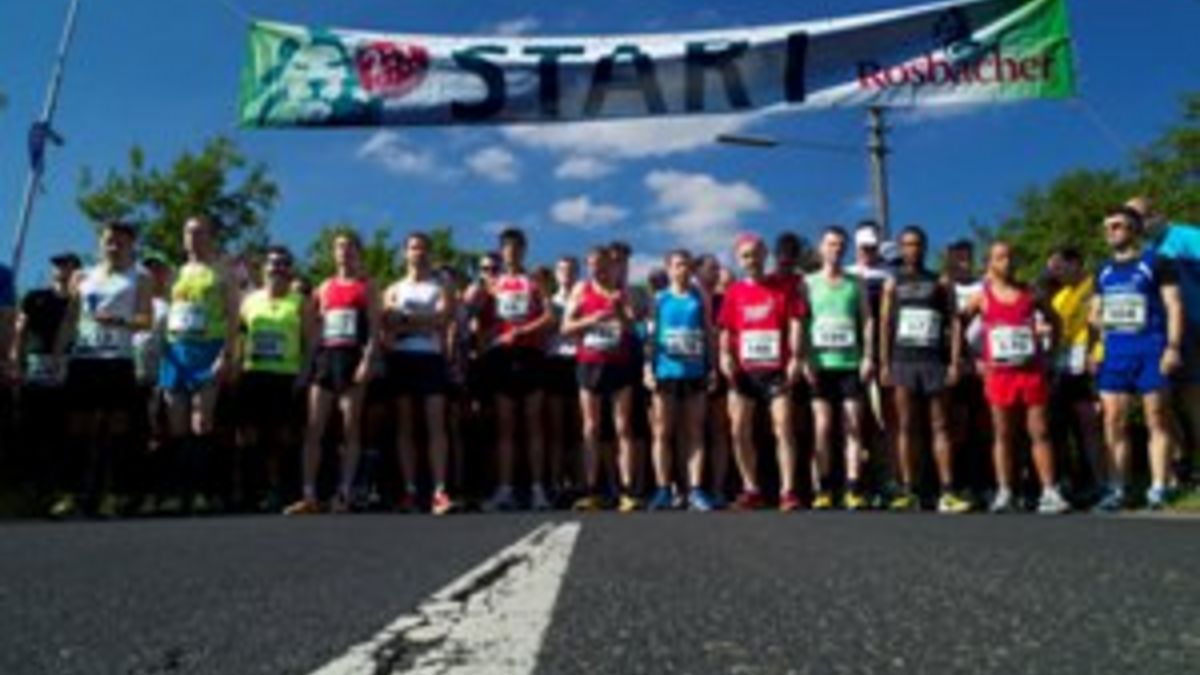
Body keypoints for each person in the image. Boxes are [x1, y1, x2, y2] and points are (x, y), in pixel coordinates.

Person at [960, 242, 1069, 514]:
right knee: (1003, 434)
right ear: (989, 263)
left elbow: (1055, 320)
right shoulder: (982, 297)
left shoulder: (1030, 293)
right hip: (999, 375)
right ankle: (1005, 491)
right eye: (1000, 258)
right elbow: (957, 324)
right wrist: (972, 358)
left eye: (1010, 257)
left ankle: (1049, 491)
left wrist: (1051, 353)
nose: (1007, 262)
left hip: (1030, 372)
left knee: (1040, 431)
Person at [54, 222, 154, 517]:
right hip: (84, 359)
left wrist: (119, 321)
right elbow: (71, 319)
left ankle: (113, 494)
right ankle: (74, 494)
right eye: (109, 240)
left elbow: (146, 320)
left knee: (116, 427)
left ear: (131, 245)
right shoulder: (82, 276)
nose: (114, 246)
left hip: (118, 359)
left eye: (121, 242)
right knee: (77, 428)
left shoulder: (140, 276)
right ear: (100, 243)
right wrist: (59, 355)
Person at [1092, 206, 1184, 511]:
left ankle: (1158, 487)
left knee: (1156, 416)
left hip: (1151, 349)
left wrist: (1173, 347)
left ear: (1134, 229)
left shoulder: (1157, 262)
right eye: (1107, 227)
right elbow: (1095, 312)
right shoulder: (1102, 270)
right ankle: (1117, 488)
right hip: (1116, 354)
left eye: (1117, 226)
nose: (1111, 232)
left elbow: (1174, 305)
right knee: (1113, 420)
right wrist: (1098, 326)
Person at [286, 231, 381, 514]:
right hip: (326, 358)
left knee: (350, 427)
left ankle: (344, 492)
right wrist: (308, 364)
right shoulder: (324, 286)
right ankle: (309, 494)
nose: (344, 252)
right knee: (314, 426)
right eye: (340, 247)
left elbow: (375, 328)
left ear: (358, 253)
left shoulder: (367, 286)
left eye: (350, 247)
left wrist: (368, 360)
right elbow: (313, 326)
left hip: (352, 358)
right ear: (333, 253)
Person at [879, 225, 970, 513]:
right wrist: (884, 363)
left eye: (917, 244)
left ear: (925, 247)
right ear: (900, 248)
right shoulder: (892, 283)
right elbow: (885, 324)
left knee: (940, 425)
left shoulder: (941, 282)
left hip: (934, 361)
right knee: (905, 426)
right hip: (902, 361)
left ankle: (947, 491)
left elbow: (954, 322)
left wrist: (954, 362)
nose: (912, 249)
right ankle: (909, 490)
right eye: (907, 244)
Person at [159, 216, 240, 514]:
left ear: (211, 237)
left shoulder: (223, 271)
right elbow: (166, 313)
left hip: (208, 350)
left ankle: (205, 492)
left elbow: (233, 317)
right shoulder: (175, 272)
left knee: (202, 421)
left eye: (199, 232)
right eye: (188, 232)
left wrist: (226, 355)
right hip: (176, 351)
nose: (193, 237)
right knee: (176, 425)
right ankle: (178, 494)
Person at [719, 233, 805, 511]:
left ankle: (788, 490)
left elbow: (795, 323)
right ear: (738, 260)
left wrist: (796, 358)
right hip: (744, 371)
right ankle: (751, 488)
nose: (751, 260)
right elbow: (726, 330)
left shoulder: (783, 287)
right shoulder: (734, 292)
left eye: (756, 254)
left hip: (776, 368)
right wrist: (724, 356)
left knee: (783, 426)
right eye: (745, 256)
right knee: (738, 429)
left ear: (765, 255)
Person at [478, 228, 554, 511]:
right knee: (505, 424)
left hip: (530, 354)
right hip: (501, 357)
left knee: (533, 423)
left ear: (524, 250)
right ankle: (505, 489)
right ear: (501, 251)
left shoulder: (534, 281)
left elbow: (550, 316)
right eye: (507, 248)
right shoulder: (493, 284)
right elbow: (481, 322)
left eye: (517, 247)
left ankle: (537, 489)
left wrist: (523, 330)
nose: (512, 252)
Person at [236, 246, 314, 513]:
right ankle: (250, 493)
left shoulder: (300, 302)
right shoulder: (249, 301)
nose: (277, 268)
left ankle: (283, 491)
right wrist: (234, 367)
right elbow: (239, 337)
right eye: (272, 263)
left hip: (286, 376)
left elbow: (310, 343)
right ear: (264, 268)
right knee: (249, 435)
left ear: (290, 270)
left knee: (283, 436)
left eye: (283, 264)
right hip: (253, 373)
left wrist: (304, 374)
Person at [564, 246, 641, 512]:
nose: (597, 269)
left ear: (611, 265)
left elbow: (632, 328)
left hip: (619, 364)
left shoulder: (622, 291)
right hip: (590, 363)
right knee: (591, 427)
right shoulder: (581, 290)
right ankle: (591, 489)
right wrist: (591, 319)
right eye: (592, 264)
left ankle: (627, 490)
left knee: (623, 426)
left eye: (602, 264)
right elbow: (565, 327)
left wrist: (619, 311)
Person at [384, 232, 456, 515]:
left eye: (424, 248)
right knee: (405, 425)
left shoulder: (440, 287)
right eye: (414, 248)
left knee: (436, 424)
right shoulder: (394, 288)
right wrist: (423, 321)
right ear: (405, 253)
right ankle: (410, 490)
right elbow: (387, 322)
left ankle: (439, 490)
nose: (419, 253)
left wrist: (405, 320)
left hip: (431, 358)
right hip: (402, 358)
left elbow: (444, 318)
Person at [804, 227, 873, 510]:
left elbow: (867, 320)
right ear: (821, 248)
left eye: (841, 245)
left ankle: (852, 488)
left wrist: (868, 356)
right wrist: (805, 358)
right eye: (831, 244)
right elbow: (801, 323)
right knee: (822, 427)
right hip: (820, 365)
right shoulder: (808, 283)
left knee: (852, 426)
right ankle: (823, 488)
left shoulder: (856, 283)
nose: (836, 249)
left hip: (849, 364)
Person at [644, 249, 717, 511]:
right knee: (662, 432)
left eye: (686, 265)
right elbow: (650, 337)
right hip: (665, 373)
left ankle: (695, 490)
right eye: (677, 265)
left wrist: (712, 367)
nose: (683, 270)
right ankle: (663, 489)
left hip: (695, 373)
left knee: (695, 431)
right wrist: (647, 369)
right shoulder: (659, 299)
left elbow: (708, 333)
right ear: (669, 269)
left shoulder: (700, 297)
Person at [1139, 196, 1200, 489]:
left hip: (1196, 326)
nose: (1140, 225)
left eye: (1143, 217)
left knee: (1192, 398)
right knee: (1164, 400)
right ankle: (1180, 462)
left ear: (1158, 214)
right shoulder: (1147, 251)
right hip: (1164, 334)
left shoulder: (1187, 236)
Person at [11, 253, 78, 497]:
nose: (61, 269)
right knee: (30, 424)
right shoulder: (34, 297)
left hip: (67, 371)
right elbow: (20, 331)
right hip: (34, 367)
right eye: (57, 264)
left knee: (61, 428)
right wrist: (15, 363)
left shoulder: (79, 303)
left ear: (76, 271)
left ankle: (57, 484)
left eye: (67, 265)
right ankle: (27, 482)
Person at [1045, 246, 1105, 502]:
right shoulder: (1059, 297)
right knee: (1062, 426)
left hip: (1092, 363)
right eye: (1052, 270)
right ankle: (1073, 480)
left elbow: (1100, 322)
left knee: (1091, 424)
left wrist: (1097, 353)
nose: (1056, 274)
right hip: (1064, 367)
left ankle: (1100, 480)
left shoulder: (1096, 284)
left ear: (1076, 263)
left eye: (1059, 267)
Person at [845, 221, 896, 501]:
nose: (868, 252)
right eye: (864, 247)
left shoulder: (891, 274)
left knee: (884, 420)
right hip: (852, 355)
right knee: (854, 421)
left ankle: (884, 479)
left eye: (873, 247)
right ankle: (856, 481)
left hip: (884, 354)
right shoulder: (848, 274)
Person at [544, 255, 582, 503]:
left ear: (577, 273)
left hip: (579, 360)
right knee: (556, 428)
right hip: (555, 362)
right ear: (556, 274)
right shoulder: (549, 301)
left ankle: (580, 482)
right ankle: (556, 482)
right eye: (562, 269)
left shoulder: (583, 299)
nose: (566, 273)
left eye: (571, 270)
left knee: (580, 427)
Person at [696, 254, 732, 506]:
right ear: (698, 271)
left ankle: (718, 487)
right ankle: (691, 487)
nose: (716, 272)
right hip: (690, 370)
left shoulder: (724, 300)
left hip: (719, 370)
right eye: (711, 268)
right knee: (692, 431)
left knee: (719, 430)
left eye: (718, 268)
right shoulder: (689, 298)